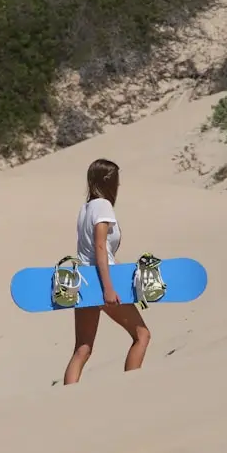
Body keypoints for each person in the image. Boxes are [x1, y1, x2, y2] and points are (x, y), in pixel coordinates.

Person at [62, 158, 151, 385]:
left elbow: (96, 251)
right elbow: (100, 247)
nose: (118, 185)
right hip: (101, 281)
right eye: (117, 180)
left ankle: (66, 398)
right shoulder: (103, 206)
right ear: (108, 181)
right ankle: (131, 388)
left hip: (83, 281)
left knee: (82, 348)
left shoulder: (85, 209)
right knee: (141, 335)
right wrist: (109, 288)